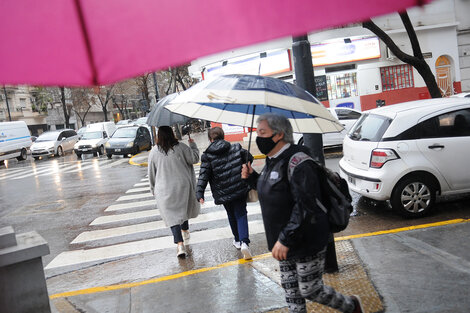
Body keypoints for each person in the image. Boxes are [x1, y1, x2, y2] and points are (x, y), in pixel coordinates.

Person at [241, 113, 364, 313]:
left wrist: (285, 239)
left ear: (279, 134)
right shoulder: (272, 160)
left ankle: (351, 306)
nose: (258, 136)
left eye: (262, 132)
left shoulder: (300, 163)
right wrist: (252, 178)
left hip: (307, 239)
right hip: (284, 240)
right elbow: (273, 190)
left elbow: (307, 206)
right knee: (291, 291)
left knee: (310, 289)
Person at [196, 127, 254, 260]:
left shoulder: (207, 156)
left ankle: (238, 240)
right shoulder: (236, 147)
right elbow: (249, 158)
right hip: (239, 188)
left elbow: (203, 176)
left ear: (210, 139)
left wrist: (200, 193)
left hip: (222, 192)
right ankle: (245, 242)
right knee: (241, 214)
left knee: (231, 214)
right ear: (223, 136)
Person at [148, 126, 200, 258]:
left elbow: (151, 173)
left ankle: (180, 244)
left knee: (172, 216)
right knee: (182, 208)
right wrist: (192, 145)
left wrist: (153, 187)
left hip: (164, 188)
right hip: (182, 185)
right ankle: (185, 230)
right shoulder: (182, 147)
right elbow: (194, 159)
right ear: (172, 134)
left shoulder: (154, 152)